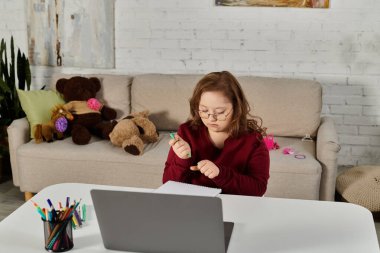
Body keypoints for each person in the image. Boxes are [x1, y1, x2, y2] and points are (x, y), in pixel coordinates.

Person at [163, 71, 270, 196]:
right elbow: (168, 185)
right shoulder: (187, 132)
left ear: (237, 108)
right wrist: (182, 160)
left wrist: (220, 174)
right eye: (204, 110)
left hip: (234, 206)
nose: (211, 118)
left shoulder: (253, 141)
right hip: (193, 205)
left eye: (220, 112)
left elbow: (258, 189)